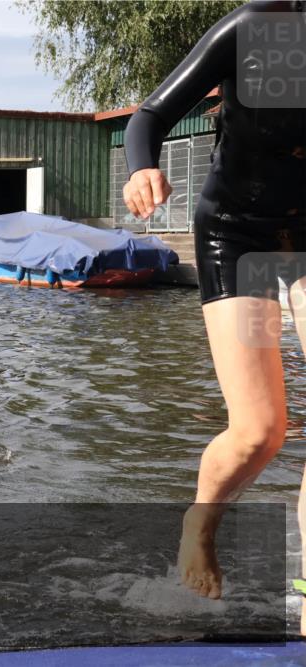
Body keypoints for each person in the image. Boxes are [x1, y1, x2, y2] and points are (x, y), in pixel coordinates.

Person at [122, 1, 306, 604]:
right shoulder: (257, 29)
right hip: (236, 230)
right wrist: (142, 169)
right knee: (260, 431)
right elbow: (150, 115)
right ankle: (200, 523)